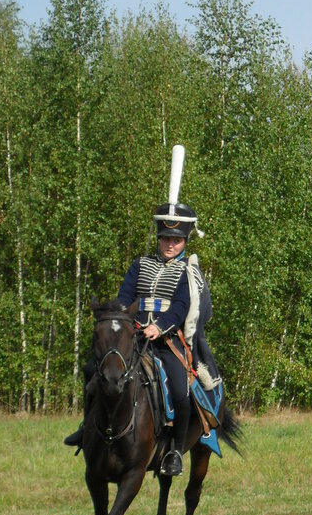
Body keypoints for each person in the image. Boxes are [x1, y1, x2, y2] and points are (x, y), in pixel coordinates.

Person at [65, 200, 220, 477]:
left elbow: (181, 307)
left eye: (176, 239)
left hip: (167, 341)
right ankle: (86, 428)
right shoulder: (141, 264)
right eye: (165, 238)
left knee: (179, 390)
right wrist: (123, 320)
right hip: (133, 335)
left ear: (184, 241)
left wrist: (159, 327)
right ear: (159, 238)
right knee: (93, 371)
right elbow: (126, 297)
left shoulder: (188, 272)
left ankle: (173, 450)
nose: (170, 244)